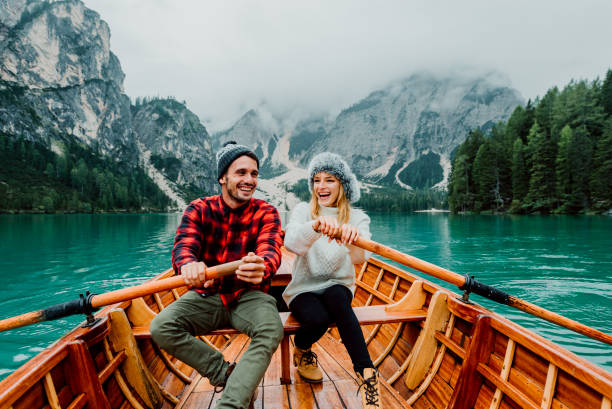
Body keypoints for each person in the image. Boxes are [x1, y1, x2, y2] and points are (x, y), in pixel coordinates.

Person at [150, 141, 284, 409]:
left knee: (271, 329)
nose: (249, 180)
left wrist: (262, 267)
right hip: (207, 295)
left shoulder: (267, 212)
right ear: (222, 177)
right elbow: (183, 247)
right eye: (241, 172)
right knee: (161, 327)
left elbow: (271, 251)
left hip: (249, 295)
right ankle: (226, 375)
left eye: (254, 174)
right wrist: (188, 264)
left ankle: (230, 404)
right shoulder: (198, 209)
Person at [282, 152, 381, 408]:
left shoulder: (357, 218)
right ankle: (302, 348)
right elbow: (292, 243)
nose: (321, 186)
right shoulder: (304, 211)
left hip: (339, 287)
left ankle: (367, 375)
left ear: (343, 185)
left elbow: (360, 259)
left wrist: (353, 238)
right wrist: (315, 227)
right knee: (317, 318)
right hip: (304, 287)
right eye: (316, 180)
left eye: (330, 180)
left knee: (337, 297)